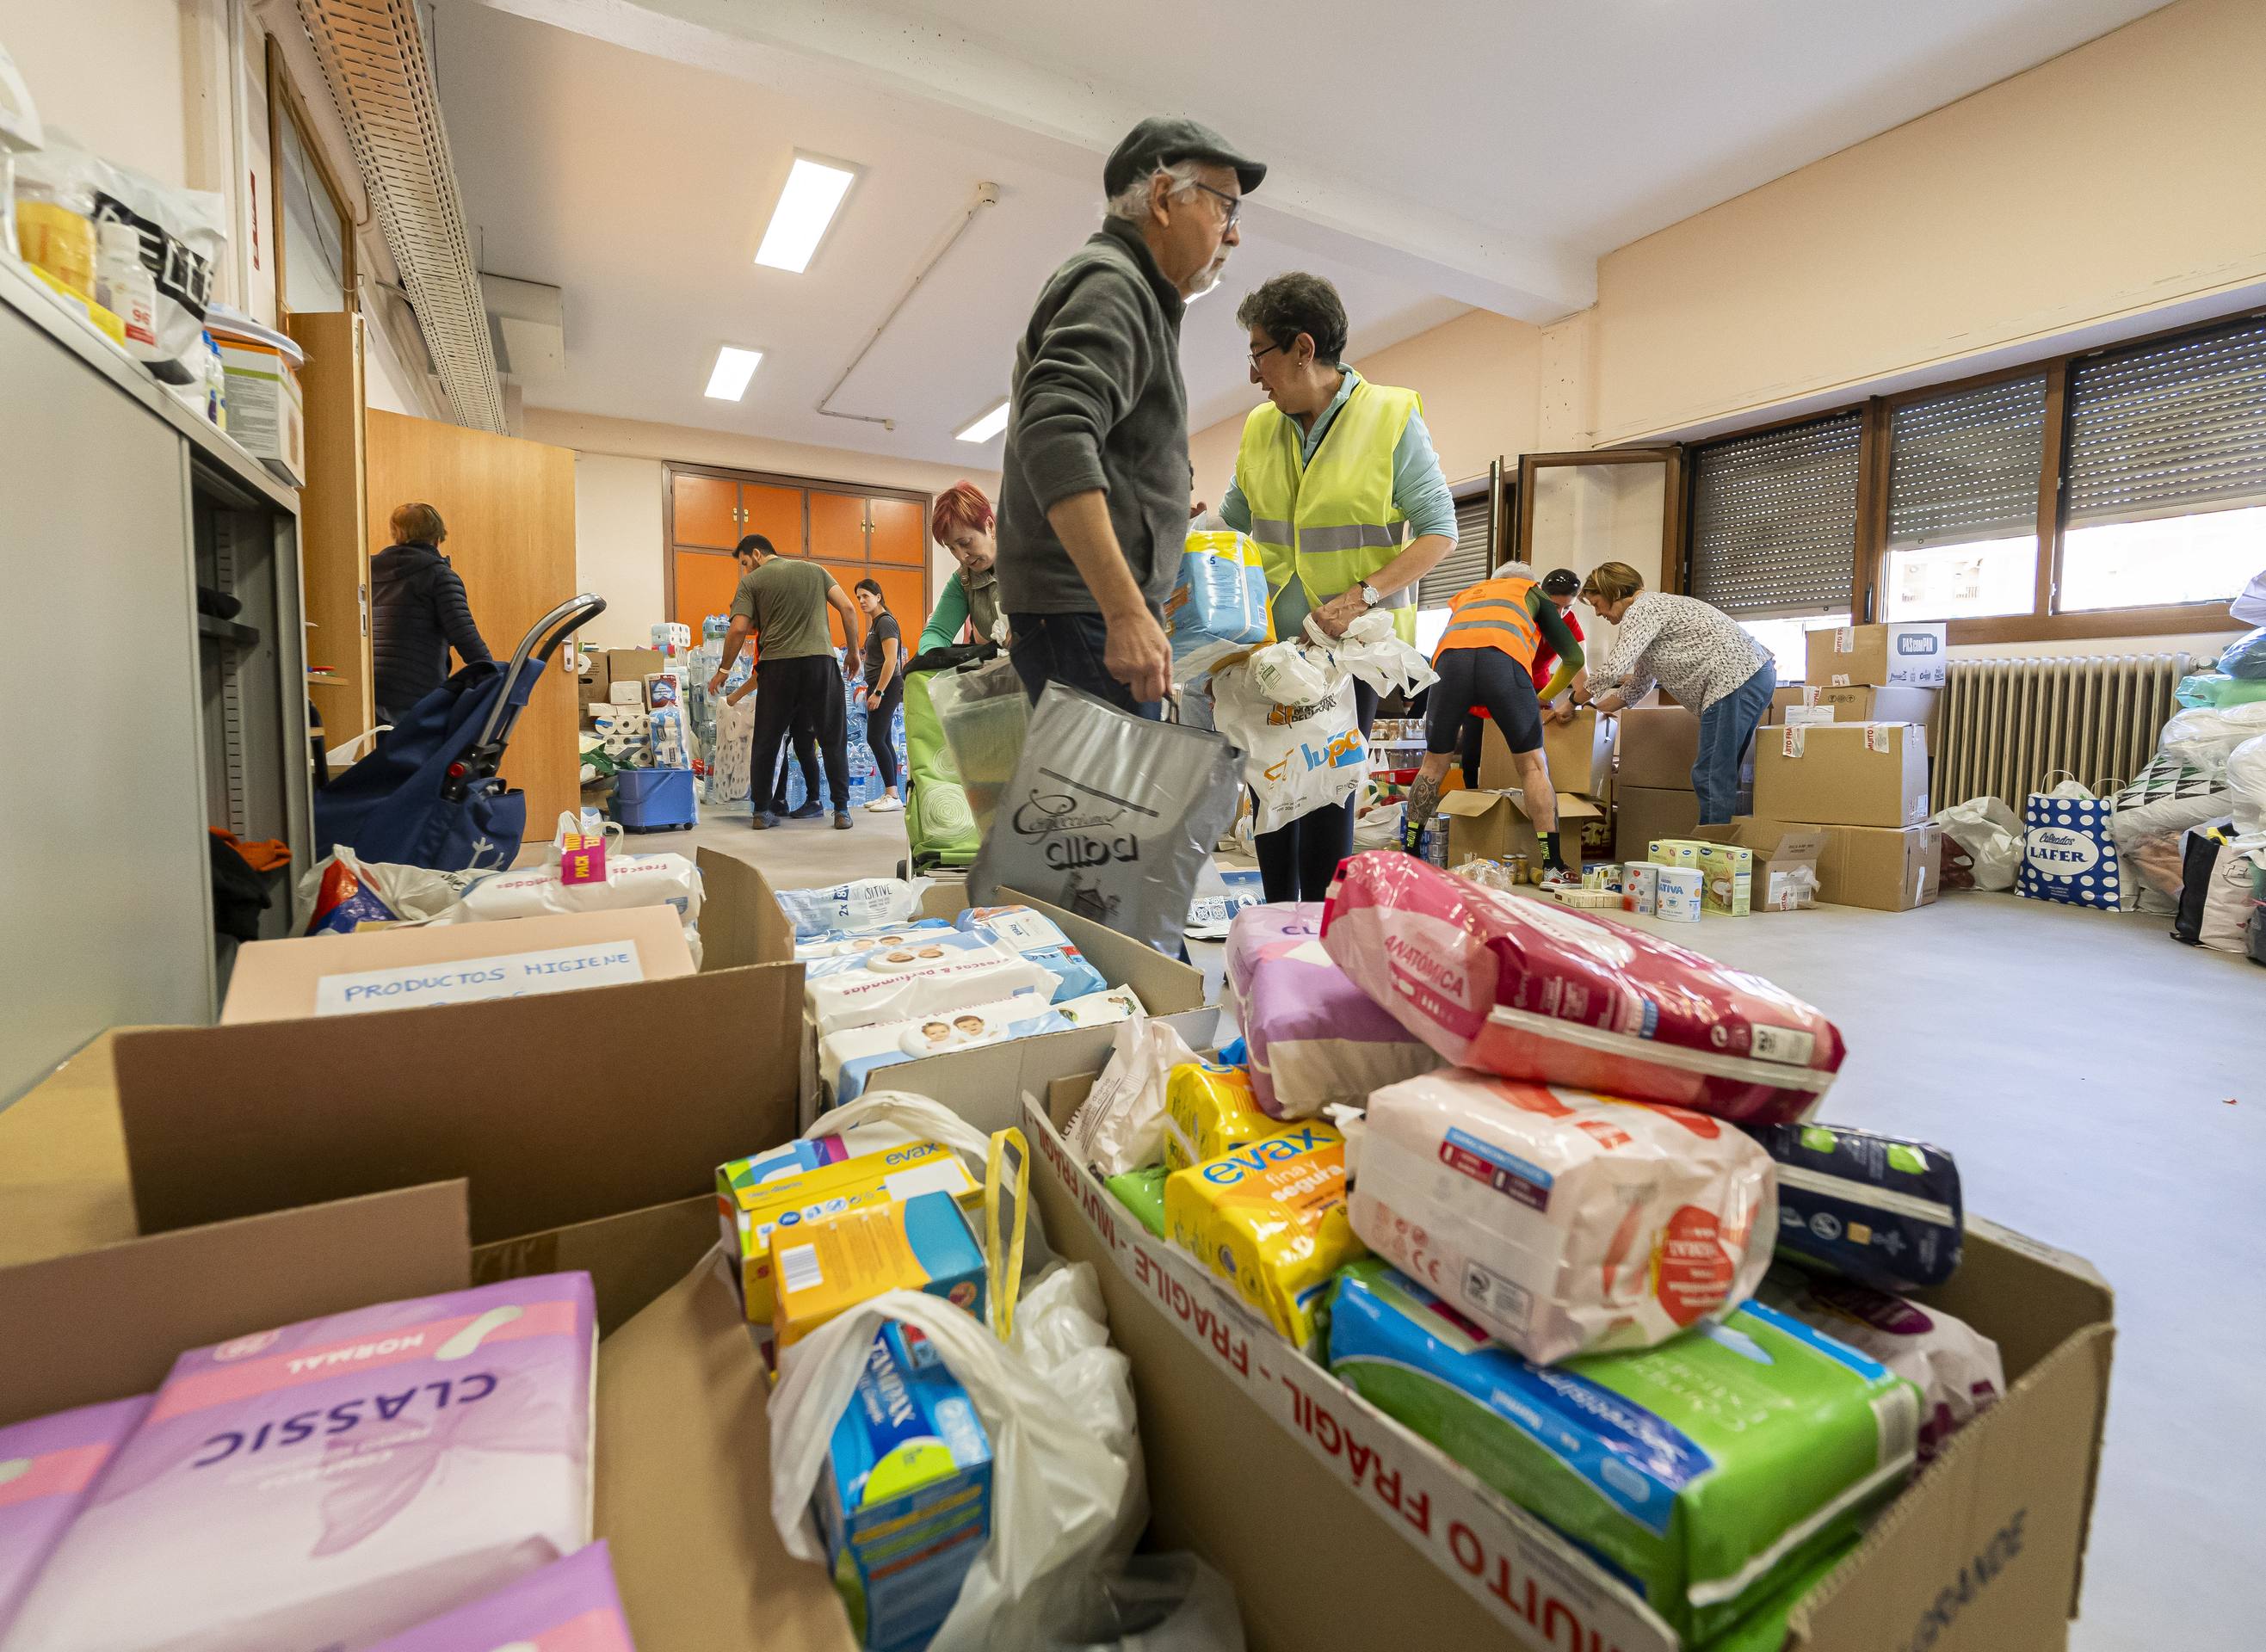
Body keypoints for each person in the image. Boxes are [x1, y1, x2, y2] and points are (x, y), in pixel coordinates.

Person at [996, 115, 1264, 717]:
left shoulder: (1131, 292)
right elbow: (1055, 432)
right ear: (1165, 199)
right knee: (1107, 810)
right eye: (1227, 210)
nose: (1234, 236)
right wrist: (1123, 611)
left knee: (1102, 807)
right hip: (1084, 611)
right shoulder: (1114, 284)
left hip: (1084, 611)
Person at [1220, 270, 1456, 902]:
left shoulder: (1389, 416)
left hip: (1349, 647)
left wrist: (1362, 596)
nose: (1252, 374)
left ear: (1302, 348)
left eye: (1258, 354)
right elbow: (1231, 525)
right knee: (1270, 789)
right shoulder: (1259, 427)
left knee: (1325, 794)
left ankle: (1322, 939)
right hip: (1270, 647)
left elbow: (1438, 532)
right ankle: (1277, 929)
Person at [1401, 561, 1585, 883]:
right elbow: (1574, 659)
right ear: (1532, 585)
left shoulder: (1469, 595)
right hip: (1502, 661)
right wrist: (1542, 693)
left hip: (1447, 665)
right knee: (1533, 766)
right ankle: (1553, 864)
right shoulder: (1533, 594)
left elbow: (1464, 639)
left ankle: (1410, 857)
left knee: (1432, 765)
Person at [1571, 561, 1776, 826]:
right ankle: (1724, 850)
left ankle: (1713, 853)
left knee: (1710, 774)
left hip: (1733, 679)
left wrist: (1574, 701)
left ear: (1614, 592)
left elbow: (1613, 669)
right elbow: (1640, 684)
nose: (1598, 613)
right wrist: (1596, 712)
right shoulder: (1653, 612)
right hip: (1750, 675)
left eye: (1597, 603)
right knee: (1719, 772)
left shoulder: (1642, 610)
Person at [711, 533, 863, 830]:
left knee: (766, 741)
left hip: (777, 667)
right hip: (820, 663)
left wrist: (724, 670)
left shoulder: (751, 583)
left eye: (744, 563)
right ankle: (842, 811)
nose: (745, 570)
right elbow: (847, 608)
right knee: (833, 739)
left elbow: (738, 628)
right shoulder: (815, 570)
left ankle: (761, 812)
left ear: (756, 554)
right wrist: (854, 652)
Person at [1455, 565, 1585, 781]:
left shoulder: (1568, 622)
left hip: (1537, 691)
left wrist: (1584, 706)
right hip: (1492, 686)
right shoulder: (1517, 613)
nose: (1560, 614)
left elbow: (1580, 669)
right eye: (1554, 606)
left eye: (1568, 608)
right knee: (1475, 758)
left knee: (1532, 761)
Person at [370, 502, 491, 723]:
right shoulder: (439, 575)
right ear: (438, 536)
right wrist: (493, 673)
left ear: (396, 533)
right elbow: (464, 633)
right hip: (416, 688)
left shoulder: (367, 571)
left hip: (372, 688)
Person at [917, 482, 1005, 654]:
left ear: (990, 526)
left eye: (965, 543)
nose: (961, 556)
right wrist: (931, 658)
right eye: (951, 548)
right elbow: (937, 632)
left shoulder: (1029, 562)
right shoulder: (963, 580)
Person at [854, 577, 905, 812]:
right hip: (879, 685)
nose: (861, 601)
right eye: (858, 598)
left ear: (878, 596)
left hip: (888, 685)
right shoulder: (876, 624)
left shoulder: (885, 622)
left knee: (875, 738)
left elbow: (892, 660)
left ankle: (893, 795)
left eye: (865, 596)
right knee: (882, 739)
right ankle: (890, 793)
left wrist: (879, 692)